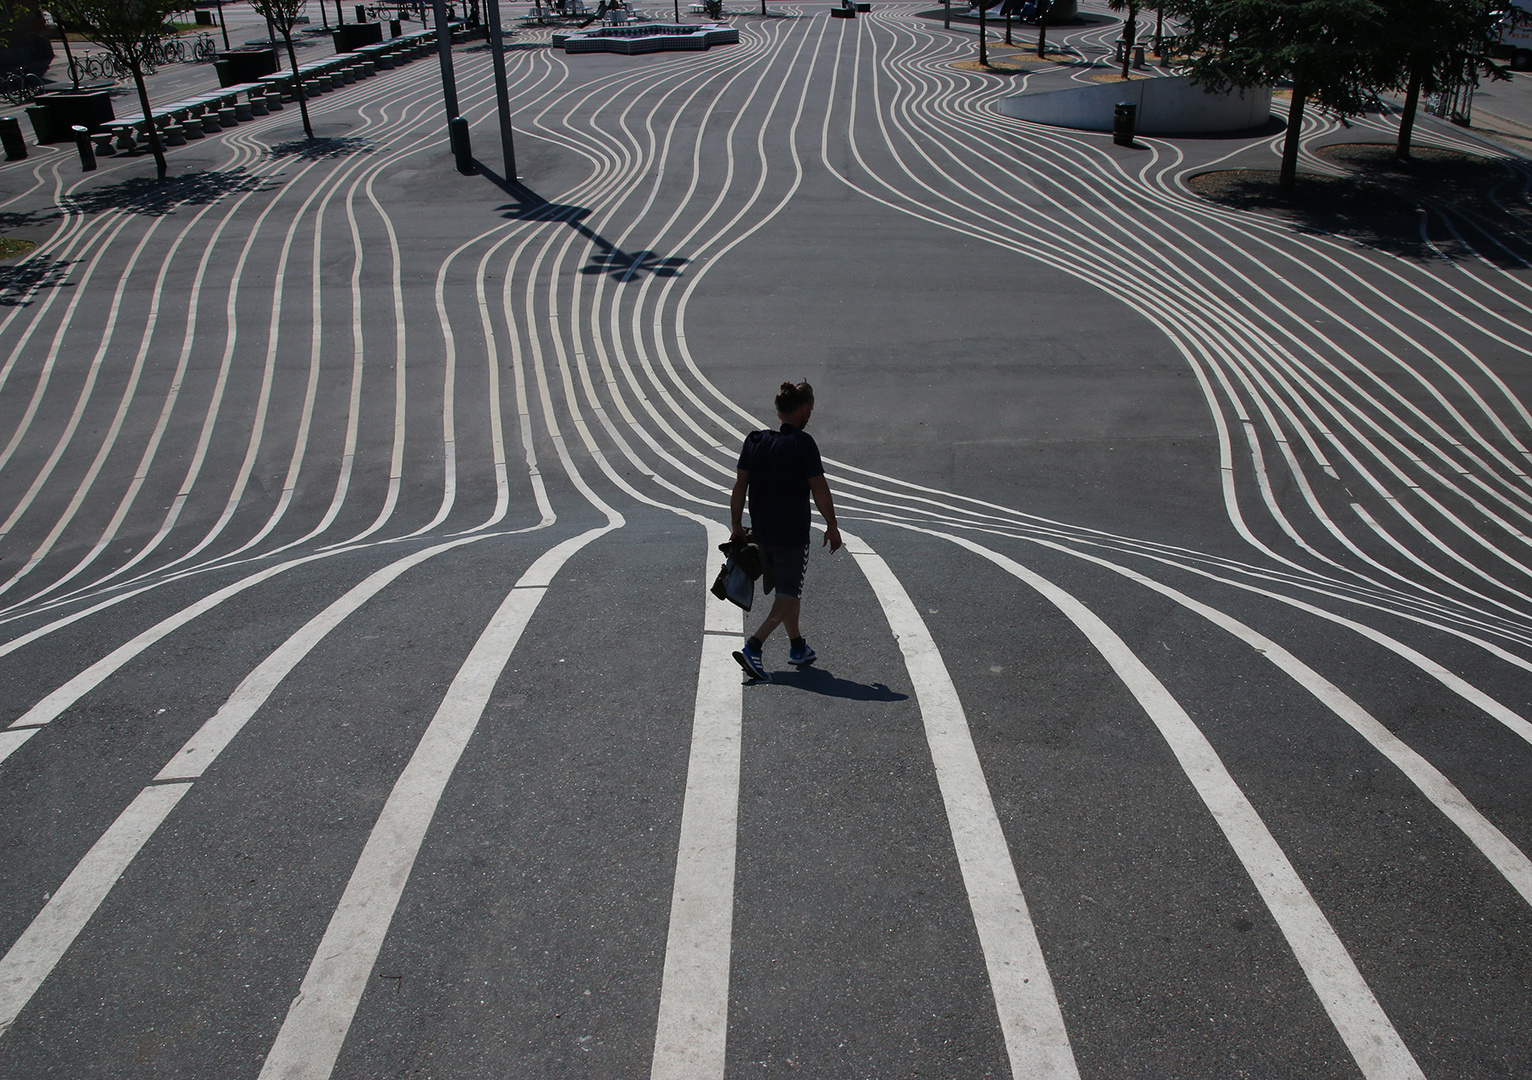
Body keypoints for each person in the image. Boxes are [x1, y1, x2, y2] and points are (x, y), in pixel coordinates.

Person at [729, 380, 842, 681]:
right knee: (789, 594)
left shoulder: (754, 441)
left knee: (787, 591)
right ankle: (754, 646)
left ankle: (797, 647)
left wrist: (737, 526)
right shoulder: (803, 443)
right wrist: (832, 526)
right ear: (804, 408)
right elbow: (819, 488)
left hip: (762, 533)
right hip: (791, 535)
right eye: (811, 409)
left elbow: (740, 485)